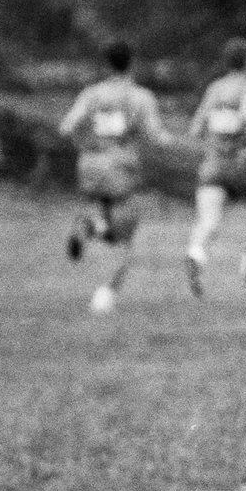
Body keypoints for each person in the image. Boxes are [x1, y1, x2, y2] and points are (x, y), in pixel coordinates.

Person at [57, 39, 171, 315]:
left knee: (109, 224)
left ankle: (88, 229)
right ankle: (106, 293)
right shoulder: (140, 97)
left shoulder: (92, 94)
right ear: (131, 63)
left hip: (90, 166)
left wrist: (86, 145)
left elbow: (67, 127)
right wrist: (171, 142)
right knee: (126, 240)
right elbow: (156, 137)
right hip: (120, 168)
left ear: (107, 64)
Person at [184, 38, 246, 296]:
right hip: (243, 166)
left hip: (213, 166)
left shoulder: (215, 89)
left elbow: (196, 129)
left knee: (208, 220)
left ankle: (196, 254)